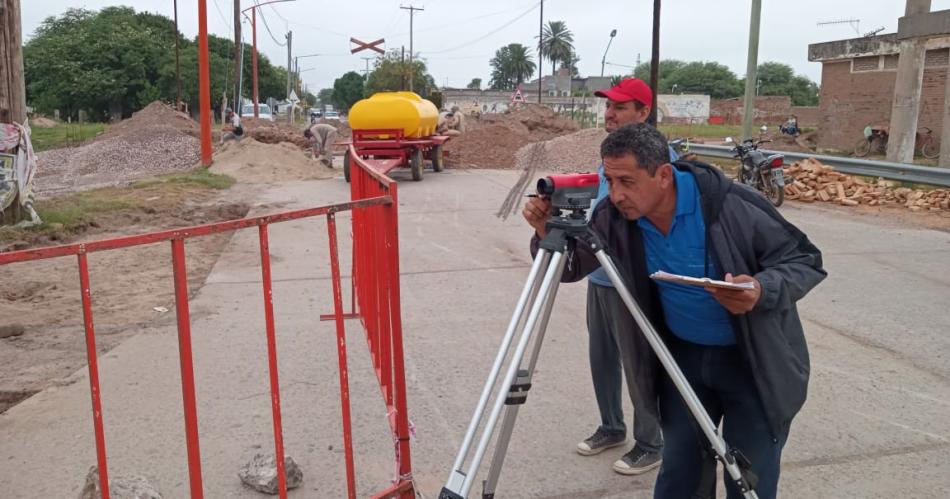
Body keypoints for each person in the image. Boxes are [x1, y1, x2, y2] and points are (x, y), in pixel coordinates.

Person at [523, 123, 825, 499]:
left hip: (752, 361)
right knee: (680, 470)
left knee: (749, 474)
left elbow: (805, 261)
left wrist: (760, 289)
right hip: (681, 360)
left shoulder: (733, 206)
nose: (615, 194)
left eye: (627, 181)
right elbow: (570, 267)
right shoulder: (615, 216)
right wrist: (543, 232)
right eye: (610, 180)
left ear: (663, 175)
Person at [572, 77, 677, 476]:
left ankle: (651, 443)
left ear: (643, 112)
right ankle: (611, 426)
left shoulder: (654, 161)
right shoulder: (609, 159)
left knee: (638, 363)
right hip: (598, 275)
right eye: (608, 106)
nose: (610, 114)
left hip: (631, 278)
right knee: (602, 357)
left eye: (619, 107)